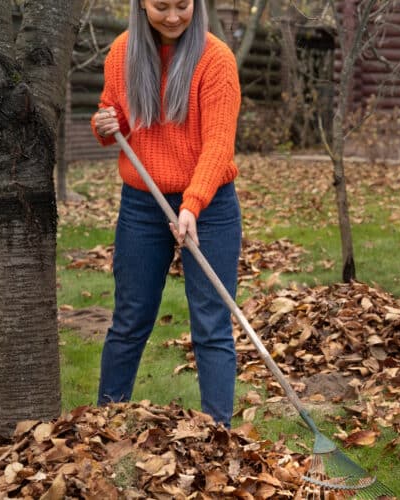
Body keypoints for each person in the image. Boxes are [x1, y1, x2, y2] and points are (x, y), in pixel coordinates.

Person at [91, 0, 242, 426]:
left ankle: (218, 435)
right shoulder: (122, 52)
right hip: (143, 204)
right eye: (161, 6)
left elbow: (218, 145)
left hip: (210, 205)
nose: (173, 17)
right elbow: (114, 114)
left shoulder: (215, 60)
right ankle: (104, 424)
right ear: (141, 3)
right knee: (130, 319)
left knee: (211, 325)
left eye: (183, 5)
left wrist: (192, 204)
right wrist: (104, 123)